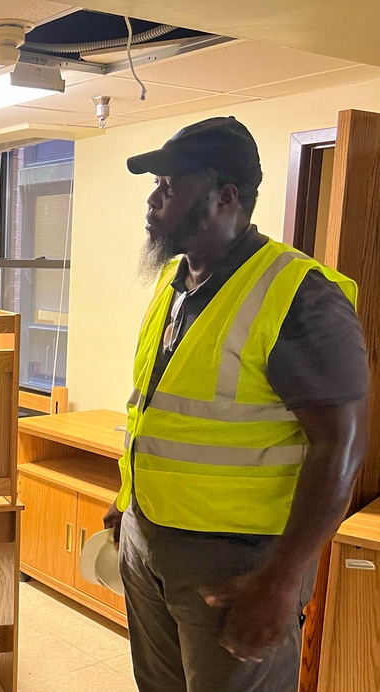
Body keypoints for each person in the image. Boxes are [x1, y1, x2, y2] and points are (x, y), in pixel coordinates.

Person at [102, 116, 369, 692]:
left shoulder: (299, 296)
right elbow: (152, 412)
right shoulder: (176, 282)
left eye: (169, 188)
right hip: (150, 540)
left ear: (224, 198)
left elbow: (341, 446)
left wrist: (280, 580)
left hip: (239, 564)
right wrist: (126, 502)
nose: (153, 202)